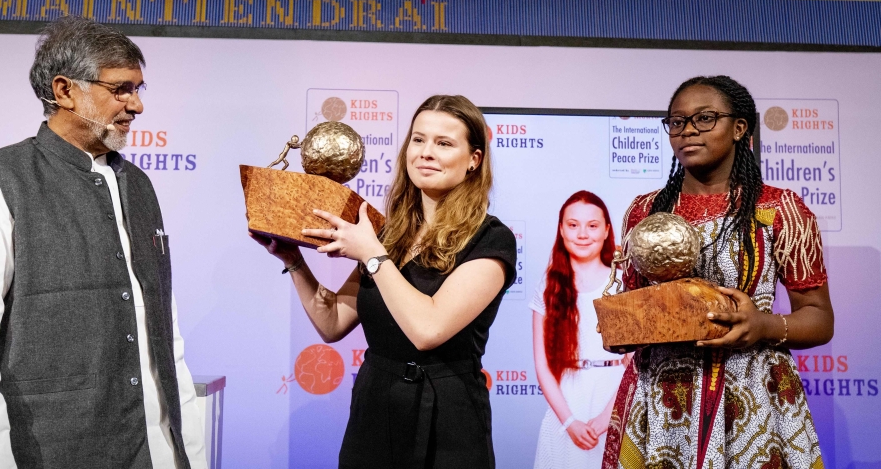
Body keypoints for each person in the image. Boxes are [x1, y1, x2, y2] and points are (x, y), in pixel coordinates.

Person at [0, 16, 207, 469]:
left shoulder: (138, 184)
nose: (136, 105)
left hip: (156, 451)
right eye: (120, 89)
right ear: (64, 90)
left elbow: (164, 337)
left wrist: (188, 453)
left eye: (138, 88)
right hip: (53, 451)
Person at [253, 95, 516, 468]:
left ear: (474, 159)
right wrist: (293, 260)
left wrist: (373, 256)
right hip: (375, 411)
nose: (426, 152)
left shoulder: (491, 239)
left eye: (444, 143)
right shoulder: (387, 234)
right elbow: (332, 322)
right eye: (418, 139)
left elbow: (428, 329)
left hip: (448, 419)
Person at [602, 76, 834, 469]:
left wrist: (762, 325)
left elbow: (819, 318)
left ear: (739, 128)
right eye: (676, 122)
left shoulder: (779, 209)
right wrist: (622, 329)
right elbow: (631, 307)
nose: (688, 130)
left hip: (753, 395)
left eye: (705, 118)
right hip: (662, 398)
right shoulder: (645, 213)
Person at [529, 191, 624, 468]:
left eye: (592, 226)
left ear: (606, 231)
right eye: (573, 225)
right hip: (566, 405)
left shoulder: (621, 283)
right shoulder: (547, 286)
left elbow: (635, 361)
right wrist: (569, 422)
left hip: (616, 400)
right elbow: (542, 364)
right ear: (561, 230)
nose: (583, 234)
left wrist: (609, 416)